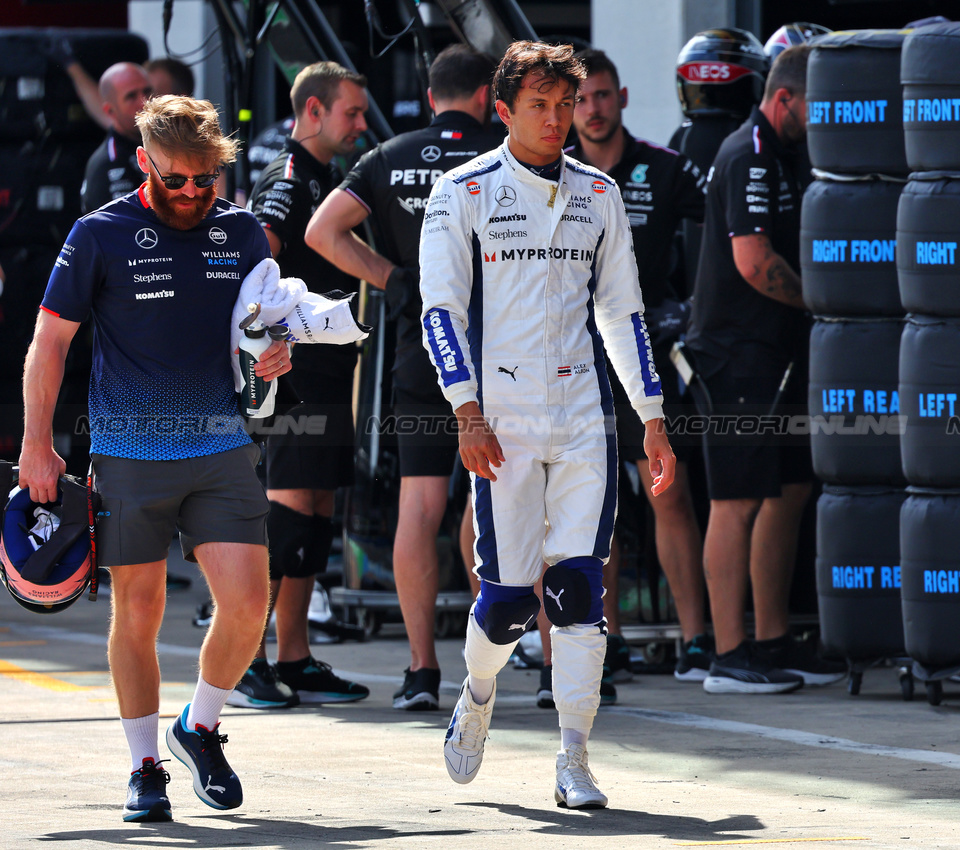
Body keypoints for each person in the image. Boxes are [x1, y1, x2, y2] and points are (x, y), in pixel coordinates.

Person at [21, 95, 290, 821]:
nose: (195, 194)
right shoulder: (99, 234)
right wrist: (36, 445)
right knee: (137, 613)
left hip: (221, 446)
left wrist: (272, 354)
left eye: (207, 180)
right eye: (177, 180)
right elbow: (49, 344)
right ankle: (144, 768)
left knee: (246, 606)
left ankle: (198, 727)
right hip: (129, 452)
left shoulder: (240, 231)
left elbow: (260, 327)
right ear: (144, 162)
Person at [422, 41, 675, 810]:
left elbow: (623, 313)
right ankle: (477, 695)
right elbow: (438, 310)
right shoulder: (460, 191)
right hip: (500, 420)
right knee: (503, 604)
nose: (558, 119)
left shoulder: (600, 194)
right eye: (540, 105)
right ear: (502, 110)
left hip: (581, 420)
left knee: (575, 591)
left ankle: (574, 759)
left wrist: (652, 418)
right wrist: (465, 409)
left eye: (566, 104)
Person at [306, 43, 503, 711]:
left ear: (431, 97)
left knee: (419, 509)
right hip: (503, 351)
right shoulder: (510, 152)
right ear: (486, 97)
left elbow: (322, 231)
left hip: (425, 351)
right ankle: (501, 662)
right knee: (499, 503)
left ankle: (421, 671)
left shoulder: (390, 157)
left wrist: (394, 280)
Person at [685, 43, 845, 694]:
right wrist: (824, 302)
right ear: (783, 99)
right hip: (734, 355)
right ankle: (727, 655)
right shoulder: (746, 152)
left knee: (787, 493)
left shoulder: (786, 152)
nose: (822, 119)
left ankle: (773, 639)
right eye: (815, 106)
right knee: (736, 501)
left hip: (777, 352)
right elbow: (753, 262)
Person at [564, 48, 711, 683]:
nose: (592, 109)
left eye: (601, 95)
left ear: (621, 97)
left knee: (668, 496)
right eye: (581, 99)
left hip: (643, 356)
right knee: (596, 507)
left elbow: (718, 247)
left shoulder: (668, 168)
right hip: (571, 360)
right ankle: (609, 638)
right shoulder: (550, 175)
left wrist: (692, 312)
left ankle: (699, 638)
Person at [235, 62, 371, 710]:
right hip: (293, 379)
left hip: (327, 371)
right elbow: (253, 260)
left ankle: (295, 656)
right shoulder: (289, 180)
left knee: (315, 518)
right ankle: (244, 659)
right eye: (352, 113)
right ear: (312, 112)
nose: (361, 124)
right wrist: (263, 338)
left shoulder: (324, 177)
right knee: (286, 517)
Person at [80, 62, 153, 213]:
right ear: (110, 110)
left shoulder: (165, 146)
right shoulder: (109, 163)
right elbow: (125, 227)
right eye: (131, 96)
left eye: (147, 91)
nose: (144, 102)